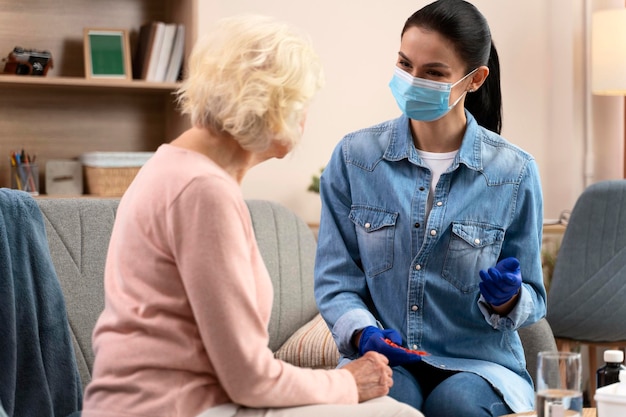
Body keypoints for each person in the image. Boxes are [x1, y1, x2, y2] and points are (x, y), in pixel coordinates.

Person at [80, 14, 423, 417]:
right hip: (177, 407)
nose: (304, 120)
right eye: (301, 105)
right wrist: (347, 382)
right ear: (270, 107)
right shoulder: (202, 192)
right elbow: (248, 378)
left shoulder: (171, 167)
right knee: (398, 414)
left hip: (164, 402)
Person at [313, 1, 546, 416]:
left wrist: (508, 301)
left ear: (474, 80)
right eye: (405, 64)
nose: (412, 80)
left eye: (434, 72)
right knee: (390, 405)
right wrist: (363, 332)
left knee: (453, 404)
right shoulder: (354, 158)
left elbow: (533, 296)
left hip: (481, 366)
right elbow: (336, 281)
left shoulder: (514, 172)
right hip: (388, 361)